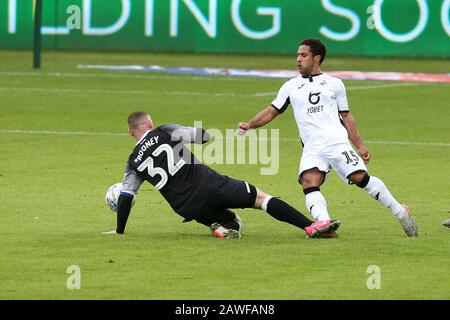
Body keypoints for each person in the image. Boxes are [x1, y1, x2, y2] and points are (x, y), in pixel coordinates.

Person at [237, 38, 418, 237]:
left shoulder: (334, 84)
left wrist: (360, 145)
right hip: (312, 147)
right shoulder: (290, 86)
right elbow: (272, 111)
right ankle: (324, 224)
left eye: (303, 55)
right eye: (297, 55)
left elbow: (346, 116)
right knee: (309, 181)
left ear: (317, 58)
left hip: (337, 143)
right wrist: (250, 124)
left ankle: (401, 212)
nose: (298, 59)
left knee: (359, 178)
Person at [102, 111, 340, 239]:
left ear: (130, 132)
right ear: (150, 124)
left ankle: (222, 227)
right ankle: (310, 226)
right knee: (261, 199)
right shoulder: (164, 130)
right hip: (210, 185)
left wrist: (120, 230)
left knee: (234, 222)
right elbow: (203, 136)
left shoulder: (133, 161)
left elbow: (126, 195)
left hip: (186, 207)